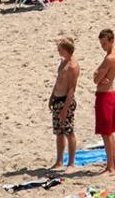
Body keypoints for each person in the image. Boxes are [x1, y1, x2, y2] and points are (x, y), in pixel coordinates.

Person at [49, 38, 80, 172]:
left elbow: (72, 89)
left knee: (69, 132)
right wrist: (51, 97)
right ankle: (59, 160)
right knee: (59, 133)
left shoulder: (73, 66)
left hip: (65, 101)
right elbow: (58, 81)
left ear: (66, 49)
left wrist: (65, 109)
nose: (58, 50)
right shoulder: (63, 62)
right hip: (57, 99)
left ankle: (71, 163)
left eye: (60, 48)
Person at [93, 29, 115, 174]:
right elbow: (97, 77)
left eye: (104, 43)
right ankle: (112, 164)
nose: (103, 46)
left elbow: (96, 78)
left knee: (106, 132)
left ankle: (111, 166)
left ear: (111, 41)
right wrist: (98, 75)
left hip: (105, 95)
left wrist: (97, 74)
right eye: (101, 43)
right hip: (108, 93)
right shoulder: (114, 56)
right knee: (108, 132)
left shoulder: (110, 58)